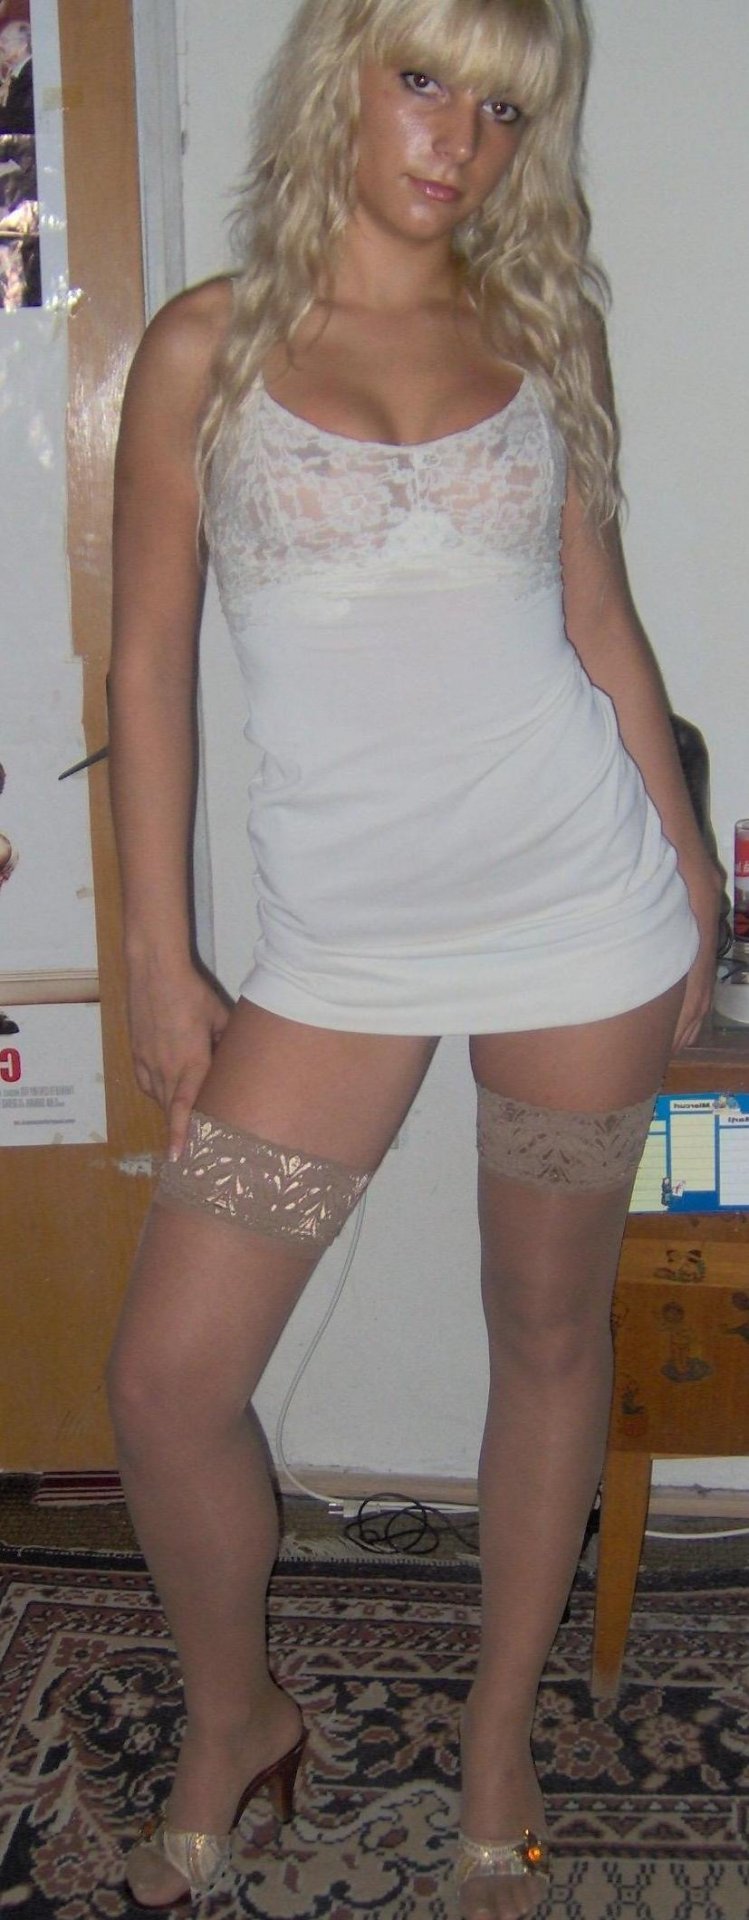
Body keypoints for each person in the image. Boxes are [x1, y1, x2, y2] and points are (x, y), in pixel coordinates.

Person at [106, 1, 721, 1913]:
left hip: (578, 922)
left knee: (543, 1334)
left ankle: (498, 1735)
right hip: (338, 958)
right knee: (167, 1383)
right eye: (426, 79)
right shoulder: (205, 347)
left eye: (507, 108)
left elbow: (600, 620)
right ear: (344, 81)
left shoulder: (541, 334)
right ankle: (237, 1715)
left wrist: (691, 869)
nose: (460, 138)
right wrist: (156, 954)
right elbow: (144, 664)